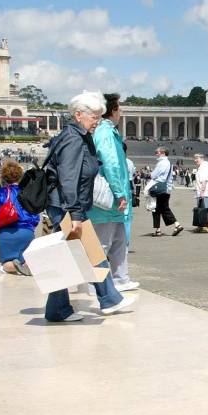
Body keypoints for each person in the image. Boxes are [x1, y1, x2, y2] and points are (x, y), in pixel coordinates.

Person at [43, 91, 133, 322]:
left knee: (78, 254)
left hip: (66, 205)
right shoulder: (74, 139)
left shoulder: (75, 135)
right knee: (90, 253)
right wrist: (74, 213)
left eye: (100, 117)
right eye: (94, 117)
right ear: (78, 114)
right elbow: (69, 178)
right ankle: (108, 299)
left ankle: (63, 308)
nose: (97, 121)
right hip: (67, 206)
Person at [88, 93, 138, 291]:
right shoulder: (106, 133)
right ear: (113, 110)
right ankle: (95, 285)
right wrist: (119, 193)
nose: (121, 112)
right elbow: (111, 165)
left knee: (119, 240)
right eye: (119, 108)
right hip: (107, 198)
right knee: (101, 243)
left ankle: (120, 279)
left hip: (115, 199)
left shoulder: (109, 132)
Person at [0, 160, 39, 274]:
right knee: (27, 259)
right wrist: (32, 226)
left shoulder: (0, 192)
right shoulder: (28, 193)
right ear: (20, 176)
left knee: (6, 264)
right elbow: (35, 213)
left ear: (4, 177)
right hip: (27, 231)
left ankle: (13, 266)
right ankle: (25, 265)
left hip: (6, 232)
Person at [149, 147, 182, 237]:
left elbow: (153, 175)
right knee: (159, 208)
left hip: (159, 188)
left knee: (162, 208)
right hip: (166, 188)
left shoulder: (162, 163)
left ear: (163, 153)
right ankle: (158, 230)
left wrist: (151, 173)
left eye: (157, 152)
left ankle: (177, 225)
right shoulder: (168, 163)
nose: (156, 154)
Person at [193, 153, 208, 233]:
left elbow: (204, 180)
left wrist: (202, 191)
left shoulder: (204, 166)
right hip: (203, 192)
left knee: (205, 209)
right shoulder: (203, 166)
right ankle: (201, 226)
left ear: (202, 158)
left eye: (196, 158)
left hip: (205, 192)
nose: (195, 160)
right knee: (201, 209)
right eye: (194, 158)